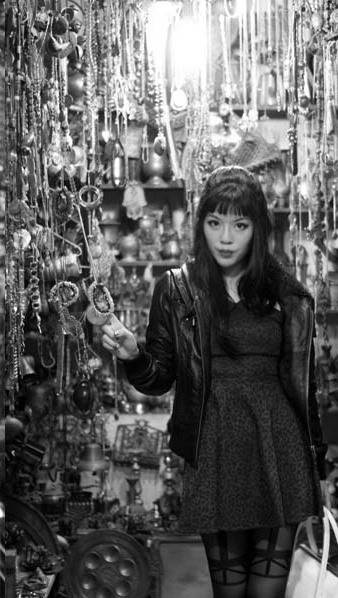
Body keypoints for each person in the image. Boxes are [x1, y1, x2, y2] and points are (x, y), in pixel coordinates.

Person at [101, 165, 327, 598]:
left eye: (239, 225)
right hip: (216, 449)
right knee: (228, 592)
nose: (226, 238)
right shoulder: (178, 289)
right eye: (215, 222)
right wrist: (133, 355)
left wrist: (316, 466)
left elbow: (304, 387)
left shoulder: (288, 295)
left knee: (268, 593)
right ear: (201, 223)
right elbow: (160, 377)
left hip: (279, 448)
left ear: (257, 229)